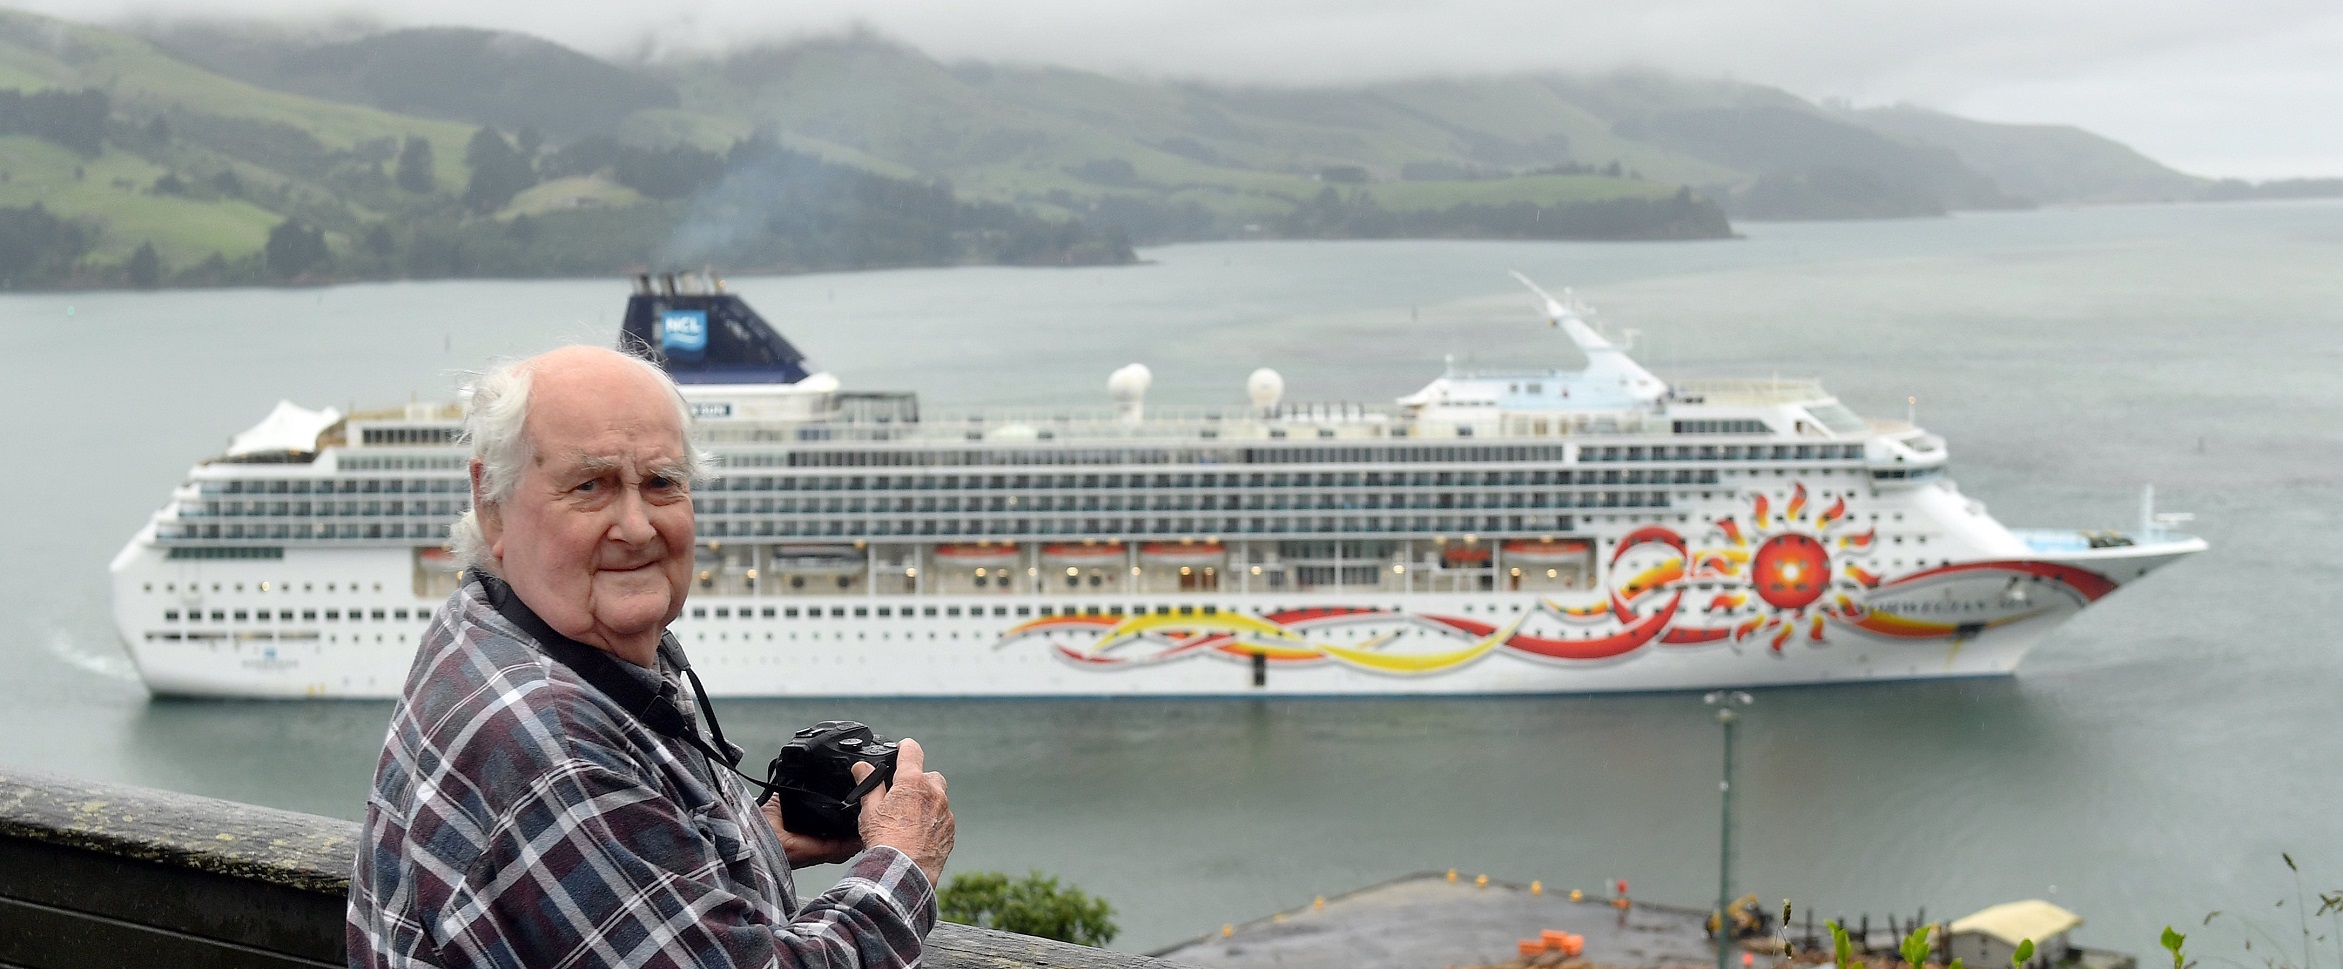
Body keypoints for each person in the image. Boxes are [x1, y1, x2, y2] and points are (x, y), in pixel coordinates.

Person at [349, 345, 955, 968]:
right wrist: (903, 862)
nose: (637, 528)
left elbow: (580, 877)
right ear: (492, 504)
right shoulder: (551, 745)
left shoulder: (488, 623)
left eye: (662, 483)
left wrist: (751, 840)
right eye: (591, 486)